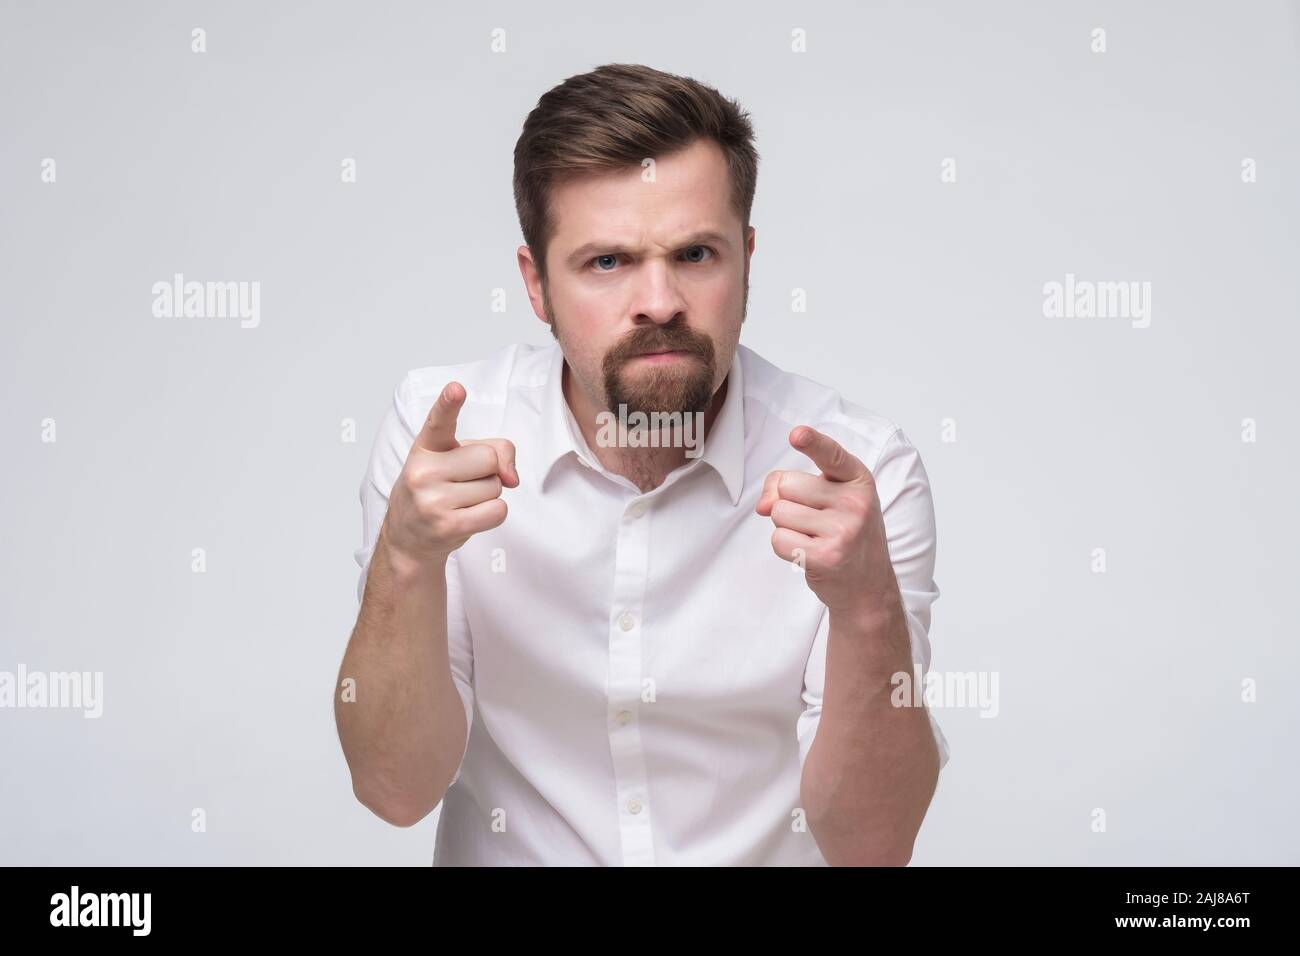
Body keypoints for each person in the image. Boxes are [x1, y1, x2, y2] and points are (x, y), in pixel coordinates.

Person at [334, 63, 949, 866]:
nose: (659, 300)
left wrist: (868, 608)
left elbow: (873, 843)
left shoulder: (862, 475)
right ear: (536, 285)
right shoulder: (441, 439)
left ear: (748, 261)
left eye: (695, 254)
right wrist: (405, 563)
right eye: (607, 262)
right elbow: (394, 789)